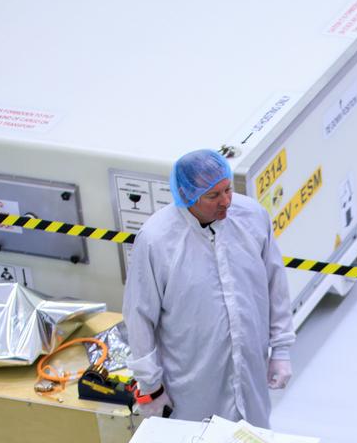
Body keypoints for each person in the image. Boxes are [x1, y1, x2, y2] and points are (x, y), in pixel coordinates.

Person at [123, 149, 294, 427]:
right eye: (213, 196)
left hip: (250, 370)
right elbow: (139, 316)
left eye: (228, 189)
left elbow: (275, 284)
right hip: (192, 383)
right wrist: (151, 386)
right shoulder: (157, 240)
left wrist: (282, 349)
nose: (226, 201)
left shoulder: (252, 217)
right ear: (186, 195)